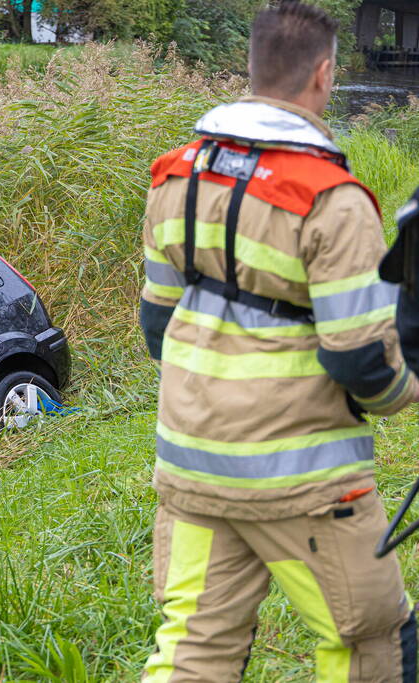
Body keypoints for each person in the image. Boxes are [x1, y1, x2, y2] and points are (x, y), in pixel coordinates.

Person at [139, 2, 419, 680]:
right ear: (323, 74)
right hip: (303, 479)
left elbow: (157, 325)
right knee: (369, 641)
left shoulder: (175, 176)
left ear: (252, 66)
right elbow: (359, 358)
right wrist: (406, 389)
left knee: (193, 647)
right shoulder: (331, 198)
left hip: (191, 462)